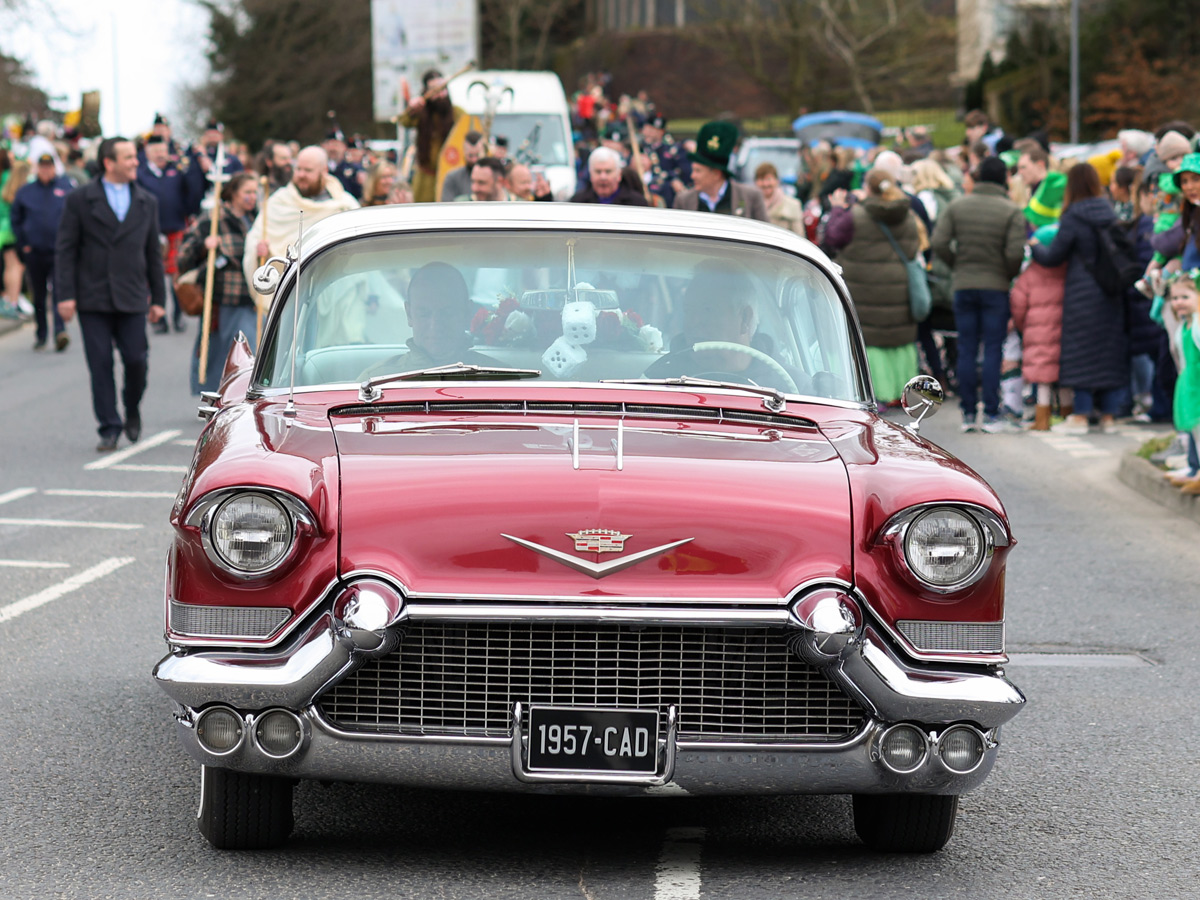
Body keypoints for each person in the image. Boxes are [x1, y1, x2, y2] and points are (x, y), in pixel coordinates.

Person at [55, 136, 166, 452]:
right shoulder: (80, 200)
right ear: (109, 162)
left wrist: (159, 299)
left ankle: (131, 408)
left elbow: (153, 255)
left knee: (136, 360)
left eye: (135, 156)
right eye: (129, 157)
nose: (135, 162)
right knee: (100, 362)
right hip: (93, 296)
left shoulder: (146, 201)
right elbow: (65, 250)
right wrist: (65, 296)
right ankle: (108, 426)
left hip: (131, 295)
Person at [1031, 163, 1129, 434]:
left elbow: (1054, 257)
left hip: (1082, 292)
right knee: (1108, 351)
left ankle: (1081, 416)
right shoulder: (1108, 211)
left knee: (1080, 352)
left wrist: (1036, 247)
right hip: (1110, 291)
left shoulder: (1073, 215)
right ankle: (1109, 417)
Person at [931, 156, 1027, 431]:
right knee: (993, 348)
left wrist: (956, 264)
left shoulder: (957, 205)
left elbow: (939, 242)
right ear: (1004, 179)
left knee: (967, 347)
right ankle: (992, 414)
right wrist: (1005, 274)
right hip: (995, 287)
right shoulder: (1011, 211)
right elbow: (1014, 254)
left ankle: (968, 413)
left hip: (963, 284)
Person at [823, 168, 922, 408]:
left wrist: (837, 209)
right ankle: (902, 391)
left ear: (867, 188)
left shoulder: (854, 216)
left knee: (871, 340)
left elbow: (831, 239)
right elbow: (912, 249)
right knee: (897, 338)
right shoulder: (908, 215)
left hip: (864, 289)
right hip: (898, 288)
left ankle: (876, 392)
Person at [642, 261, 800, 392]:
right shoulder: (660, 381)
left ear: (745, 318)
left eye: (708, 310)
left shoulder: (791, 388)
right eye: (688, 311)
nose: (693, 322)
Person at [242, 145, 360, 305]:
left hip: (334, 293)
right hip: (289, 296)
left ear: (324, 170)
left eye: (308, 170)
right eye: (298, 169)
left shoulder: (344, 206)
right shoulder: (279, 202)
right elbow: (255, 237)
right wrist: (258, 251)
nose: (301, 175)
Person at [177, 171, 259, 395]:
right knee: (219, 351)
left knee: (249, 350)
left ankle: (243, 394)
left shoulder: (258, 219)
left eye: (255, 192)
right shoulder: (213, 219)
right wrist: (204, 245)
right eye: (247, 192)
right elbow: (183, 257)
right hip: (221, 299)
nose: (252, 197)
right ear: (233, 194)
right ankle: (214, 393)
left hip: (251, 296)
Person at [360, 262, 497, 376]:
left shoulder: (499, 379)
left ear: (467, 312)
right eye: (424, 314)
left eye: (447, 313)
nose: (435, 325)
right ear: (409, 314)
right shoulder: (375, 382)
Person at [1010, 223, 1069, 430]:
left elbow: (1017, 303)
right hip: (1065, 331)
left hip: (1037, 334)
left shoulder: (1030, 274)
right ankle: (1066, 414)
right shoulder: (1068, 271)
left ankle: (1042, 420)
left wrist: (1022, 326)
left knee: (1043, 378)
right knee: (1064, 378)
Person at [11, 154, 72, 350]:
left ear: (54, 168)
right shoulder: (26, 192)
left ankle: (60, 331)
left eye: (49, 167)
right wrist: (24, 243)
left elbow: (74, 216)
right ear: (38, 169)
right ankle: (41, 333)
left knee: (58, 292)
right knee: (39, 294)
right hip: (35, 251)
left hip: (58, 251)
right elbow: (16, 219)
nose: (46, 171)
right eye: (43, 167)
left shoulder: (65, 188)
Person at [138, 135, 197, 333]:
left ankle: (178, 315)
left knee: (176, 277)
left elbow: (192, 193)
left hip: (175, 228)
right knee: (151, 276)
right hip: (150, 231)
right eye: (156, 151)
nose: (160, 154)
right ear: (148, 154)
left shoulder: (177, 171)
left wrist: (187, 170)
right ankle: (157, 317)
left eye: (163, 150)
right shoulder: (141, 174)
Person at [673, 122, 768, 220]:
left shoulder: (751, 197)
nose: (692, 176)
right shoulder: (683, 201)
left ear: (716, 174)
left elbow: (765, 233)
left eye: (698, 171)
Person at [396, 69, 461, 203]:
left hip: (450, 175)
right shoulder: (421, 113)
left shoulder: (457, 113)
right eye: (434, 90)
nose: (439, 94)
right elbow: (403, 121)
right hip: (425, 177)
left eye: (442, 89)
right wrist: (413, 109)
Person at [0, 150, 29, 320]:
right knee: (15, 266)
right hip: (9, 230)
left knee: (10, 265)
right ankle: (12, 302)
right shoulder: (10, 178)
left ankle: (10, 301)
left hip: (4, 230)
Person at [640, 114, 690, 208]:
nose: (649, 133)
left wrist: (673, 178)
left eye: (653, 131)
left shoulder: (672, 149)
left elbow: (683, 170)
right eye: (648, 130)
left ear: (661, 132)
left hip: (665, 191)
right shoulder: (640, 148)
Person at [570, 148, 648, 205]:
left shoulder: (636, 203)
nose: (603, 177)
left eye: (608, 171)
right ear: (590, 174)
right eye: (598, 171)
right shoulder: (578, 203)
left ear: (619, 175)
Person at [755, 162, 803, 235]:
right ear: (756, 182)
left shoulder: (792, 205)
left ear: (776, 181)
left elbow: (799, 236)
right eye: (761, 179)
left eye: (768, 179)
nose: (765, 184)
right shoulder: (750, 204)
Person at [439, 131, 485, 202]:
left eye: (477, 155)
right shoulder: (452, 178)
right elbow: (447, 205)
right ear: (464, 152)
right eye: (470, 155)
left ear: (484, 152)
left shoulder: (494, 177)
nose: (474, 160)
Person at [323, 127, 364, 200]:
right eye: (329, 144)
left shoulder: (353, 170)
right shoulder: (320, 168)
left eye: (336, 145)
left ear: (344, 147)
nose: (332, 148)